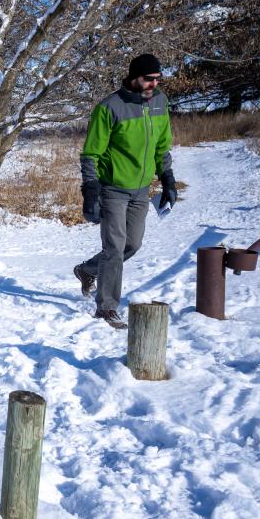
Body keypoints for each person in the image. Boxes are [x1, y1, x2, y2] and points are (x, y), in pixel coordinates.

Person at [73, 53, 177, 328]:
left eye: (157, 78)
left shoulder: (160, 103)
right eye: (148, 78)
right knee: (114, 247)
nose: (154, 84)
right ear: (134, 77)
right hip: (112, 189)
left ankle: (87, 270)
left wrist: (167, 179)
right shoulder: (109, 107)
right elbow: (90, 154)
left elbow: (162, 146)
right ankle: (106, 307)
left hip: (142, 191)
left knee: (132, 244)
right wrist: (91, 190)